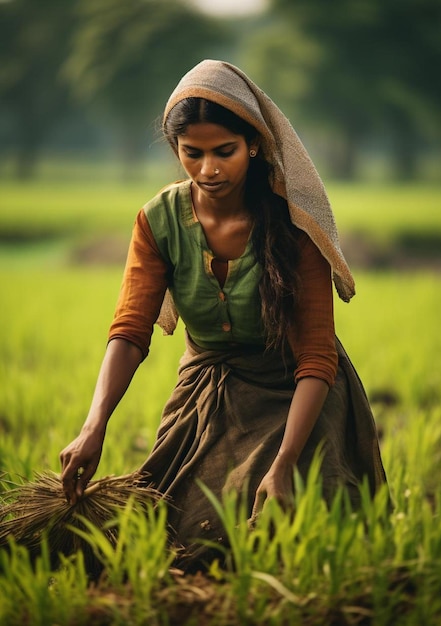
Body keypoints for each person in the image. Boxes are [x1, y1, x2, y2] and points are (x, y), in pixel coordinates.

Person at [60, 59, 387, 569]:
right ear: (176, 151)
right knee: (174, 538)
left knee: (292, 536)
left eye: (224, 152)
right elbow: (130, 328)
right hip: (207, 393)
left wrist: (283, 465)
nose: (209, 169)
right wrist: (94, 424)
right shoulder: (158, 221)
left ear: (253, 145)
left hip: (297, 395)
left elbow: (318, 355)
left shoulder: (294, 224)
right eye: (193, 154)